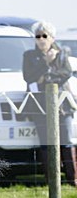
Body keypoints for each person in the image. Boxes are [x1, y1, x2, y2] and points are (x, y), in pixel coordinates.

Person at [22, 21, 76, 187]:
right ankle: (52, 179)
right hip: (39, 105)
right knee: (46, 143)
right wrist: (46, 63)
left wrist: (47, 77)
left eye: (44, 36)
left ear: (52, 38)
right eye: (38, 36)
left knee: (66, 140)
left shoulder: (61, 54)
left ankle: (72, 178)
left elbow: (66, 73)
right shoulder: (29, 56)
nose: (41, 39)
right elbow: (29, 76)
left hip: (62, 105)